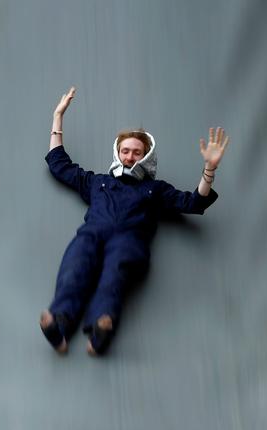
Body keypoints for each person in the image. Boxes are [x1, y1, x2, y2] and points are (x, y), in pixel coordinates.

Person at [40, 87, 230, 356]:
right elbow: (60, 165)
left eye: (136, 152)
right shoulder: (98, 183)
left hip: (128, 242)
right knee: (76, 262)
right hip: (92, 234)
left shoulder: (154, 189)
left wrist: (210, 168)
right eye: (125, 150)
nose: (130, 156)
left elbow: (193, 202)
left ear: (146, 156)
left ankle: (101, 329)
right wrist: (57, 117)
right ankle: (58, 325)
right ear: (117, 153)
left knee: (115, 272)